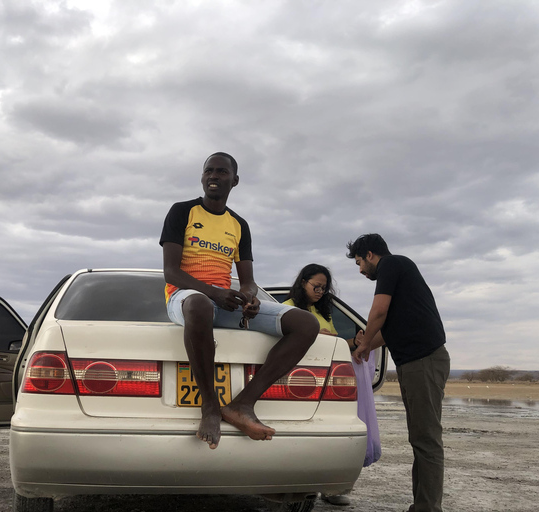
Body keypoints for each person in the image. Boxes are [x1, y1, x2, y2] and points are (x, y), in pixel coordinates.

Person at [160, 152, 320, 450]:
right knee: (200, 305)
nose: (213, 176)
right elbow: (171, 272)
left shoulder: (239, 225)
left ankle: (242, 404)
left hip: (222, 303)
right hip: (185, 301)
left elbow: (247, 280)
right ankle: (210, 405)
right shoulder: (183, 211)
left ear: (234, 180)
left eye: (221, 172)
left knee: (305, 323)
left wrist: (249, 297)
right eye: (209, 171)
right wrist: (213, 292)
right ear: (202, 176)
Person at [347, 234, 450, 512]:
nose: (360, 270)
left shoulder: (392, 265)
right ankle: (422, 505)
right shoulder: (399, 274)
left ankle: (428, 508)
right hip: (412, 362)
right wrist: (364, 343)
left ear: (370, 255)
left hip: (423, 360)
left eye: (359, 263)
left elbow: (378, 313)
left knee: (426, 437)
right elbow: (386, 329)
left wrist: (365, 342)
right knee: (420, 436)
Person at [283, 263, 381, 507]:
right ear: (302, 282)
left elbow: (334, 346)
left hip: (329, 384)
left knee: (331, 438)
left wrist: (353, 342)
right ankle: (294, 490)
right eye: (316, 286)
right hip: (299, 383)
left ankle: (331, 488)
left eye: (324, 289)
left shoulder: (324, 313)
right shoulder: (286, 308)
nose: (320, 292)